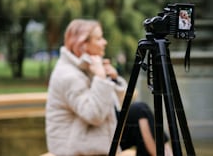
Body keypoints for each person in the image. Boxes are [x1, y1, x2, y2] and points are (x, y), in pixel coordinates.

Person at [45, 19, 172, 156]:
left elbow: (118, 105)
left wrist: (112, 78)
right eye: (99, 39)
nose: (104, 42)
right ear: (82, 45)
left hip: (90, 133)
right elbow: (94, 115)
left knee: (139, 115)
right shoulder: (68, 75)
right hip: (73, 143)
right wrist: (100, 77)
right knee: (140, 112)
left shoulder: (86, 66)